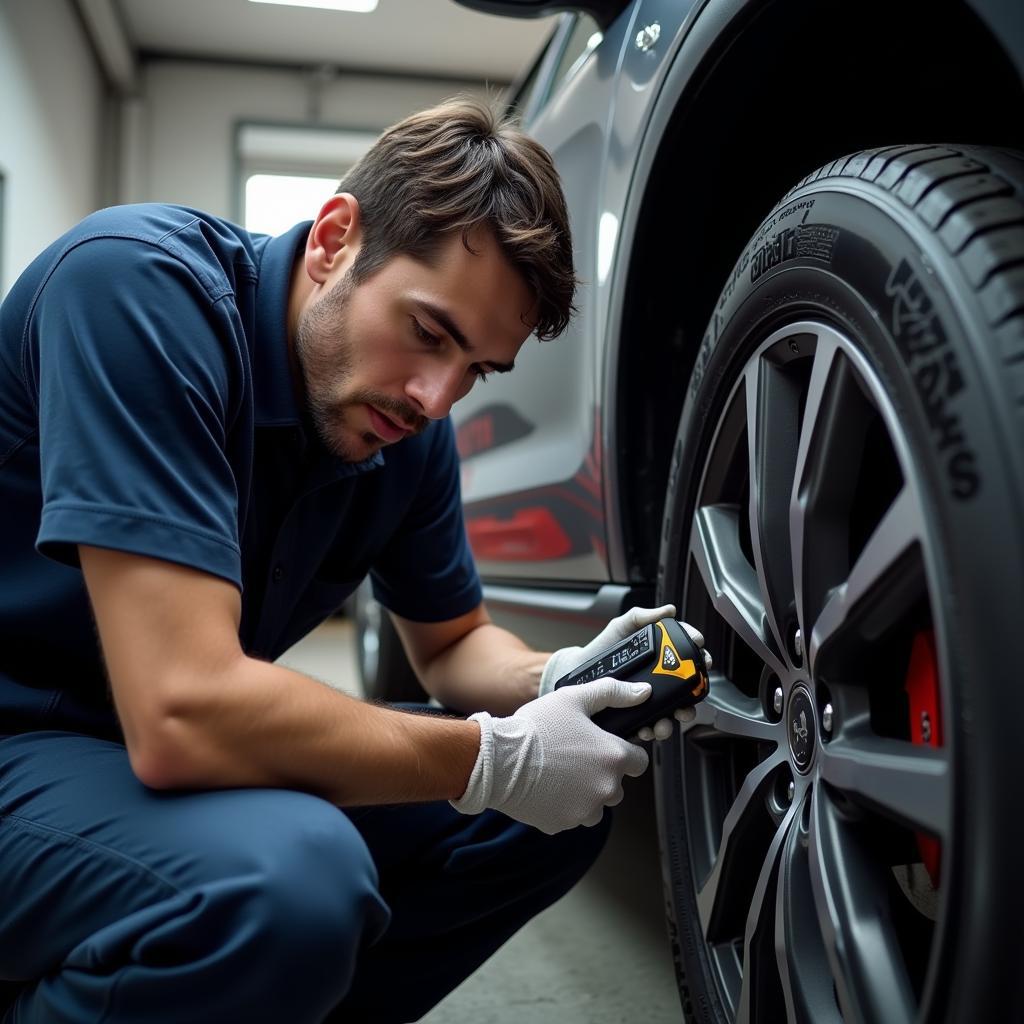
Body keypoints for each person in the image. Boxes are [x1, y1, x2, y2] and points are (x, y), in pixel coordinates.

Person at [0, 97, 707, 1023]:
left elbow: (453, 646)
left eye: (476, 371)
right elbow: (183, 712)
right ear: (336, 239)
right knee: (291, 883)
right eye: (429, 333)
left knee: (547, 818)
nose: (435, 397)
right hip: (27, 745)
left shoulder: (401, 429)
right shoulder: (136, 291)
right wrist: (490, 756)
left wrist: (557, 679)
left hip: (134, 759)